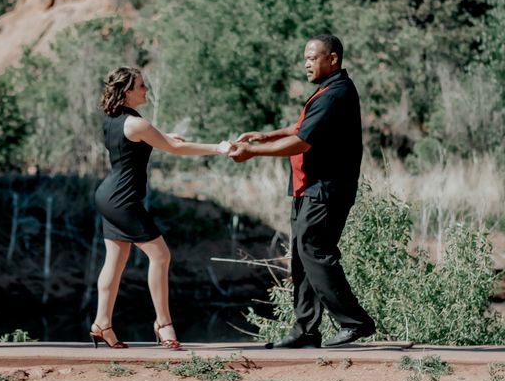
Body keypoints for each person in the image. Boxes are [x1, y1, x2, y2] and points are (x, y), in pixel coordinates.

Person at [228, 34, 376, 348]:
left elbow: (302, 141)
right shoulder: (327, 92)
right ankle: (306, 330)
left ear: (333, 58)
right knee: (303, 257)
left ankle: (354, 321)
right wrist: (266, 136)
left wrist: (253, 152)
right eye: (305, 58)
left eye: (313, 57)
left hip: (325, 189)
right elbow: (301, 128)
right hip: (308, 188)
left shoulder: (335, 94)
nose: (306, 64)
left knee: (314, 251)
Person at [91, 67, 227, 350]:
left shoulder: (115, 119)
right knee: (161, 255)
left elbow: (143, 138)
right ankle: (163, 323)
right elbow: (174, 149)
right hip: (123, 200)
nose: (146, 90)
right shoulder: (136, 124)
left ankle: (102, 324)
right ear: (127, 91)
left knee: (114, 262)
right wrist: (218, 148)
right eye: (141, 86)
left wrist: (165, 135)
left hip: (108, 195)